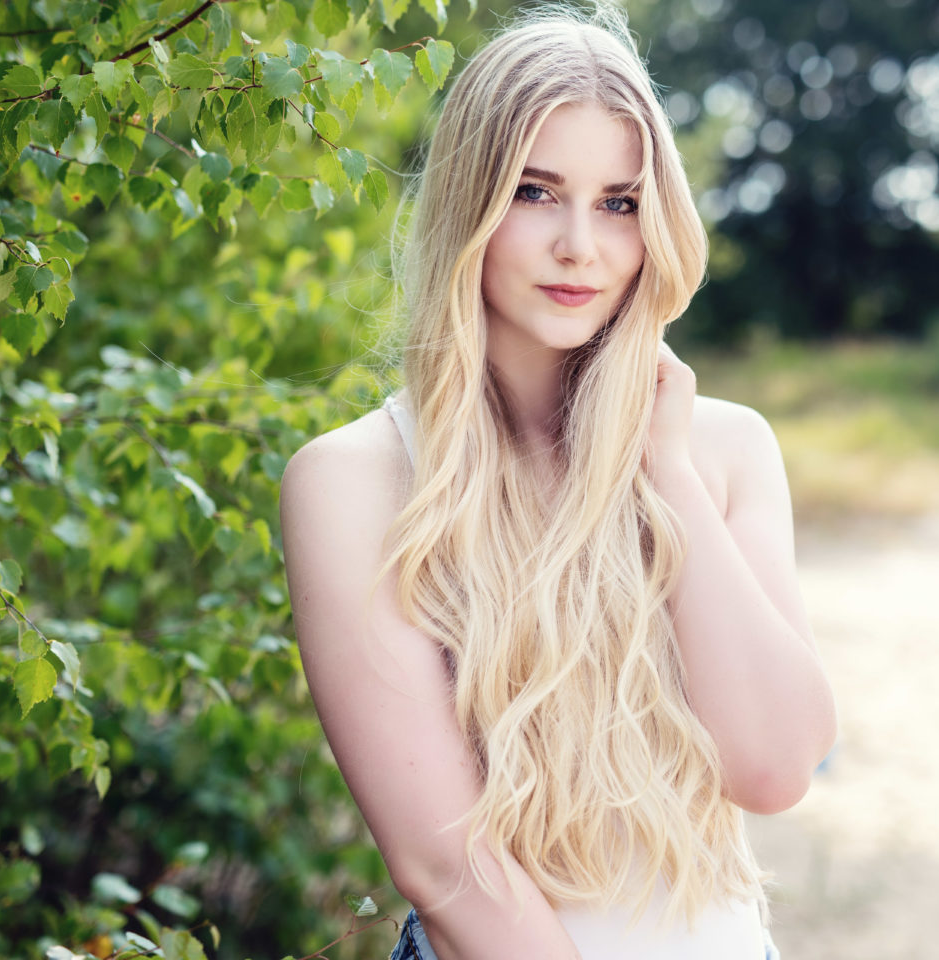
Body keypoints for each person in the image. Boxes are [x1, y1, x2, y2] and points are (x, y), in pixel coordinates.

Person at [277, 4, 836, 958]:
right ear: (471, 202)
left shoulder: (725, 450)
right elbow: (445, 865)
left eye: (620, 202)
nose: (582, 244)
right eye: (537, 192)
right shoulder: (355, 481)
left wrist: (666, 475)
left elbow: (776, 769)